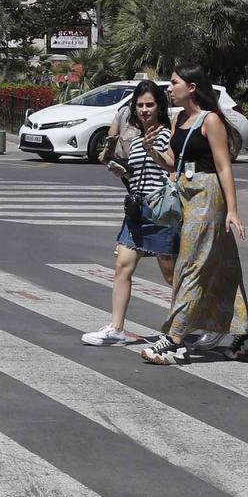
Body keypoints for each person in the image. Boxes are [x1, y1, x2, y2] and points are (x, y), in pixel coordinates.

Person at [140, 63, 248, 365]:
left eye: (173, 83)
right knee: (223, 269)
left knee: (190, 266)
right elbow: (174, 163)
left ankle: (174, 340)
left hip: (208, 196)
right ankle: (246, 330)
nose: (168, 89)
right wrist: (152, 150)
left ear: (192, 87)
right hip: (185, 192)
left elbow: (223, 166)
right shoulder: (179, 118)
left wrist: (232, 210)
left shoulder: (211, 121)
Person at [82, 80, 177, 346]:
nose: (145, 110)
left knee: (171, 275)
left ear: (160, 107)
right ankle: (117, 329)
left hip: (161, 212)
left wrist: (152, 150)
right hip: (137, 211)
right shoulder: (135, 140)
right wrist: (123, 172)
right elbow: (139, 173)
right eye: (140, 105)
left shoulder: (169, 136)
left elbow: (171, 171)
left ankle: (189, 324)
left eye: (150, 105)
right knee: (122, 266)